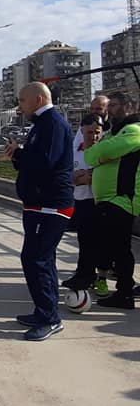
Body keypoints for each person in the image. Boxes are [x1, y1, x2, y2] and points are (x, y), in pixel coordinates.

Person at [5, 82, 74, 341]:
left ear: (38, 99)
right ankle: (44, 311)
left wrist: (20, 154)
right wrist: (18, 155)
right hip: (39, 204)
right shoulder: (42, 125)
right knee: (41, 259)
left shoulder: (52, 124)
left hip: (50, 205)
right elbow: (34, 160)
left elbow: (45, 162)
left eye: (22, 100)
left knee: (36, 259)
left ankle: (50, 318)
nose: (20, 106)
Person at [84, 91, 140, 310]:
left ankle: (124, 294)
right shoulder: (114, 133)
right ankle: (123, 290)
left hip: (122, 199)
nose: (109, 111)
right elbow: (91, 156)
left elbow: (99, 152)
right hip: (109, 200)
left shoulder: (134, 131)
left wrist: (100, 154)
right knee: (112, 247)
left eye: (114, 105)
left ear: (128, 107)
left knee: (121, 249)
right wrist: (99, 155)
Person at [61, 115, 104, 293]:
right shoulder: (75, 150)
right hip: (79, 201)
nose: (94, 137)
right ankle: (84, 274)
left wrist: (89, 176)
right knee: (84, 240)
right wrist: (76, 178)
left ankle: (94, 276)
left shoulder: (104, 151)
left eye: (97, 133)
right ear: (82, 131)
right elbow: (69, 175)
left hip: (98, 201)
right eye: (89, 132)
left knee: (97, 242)